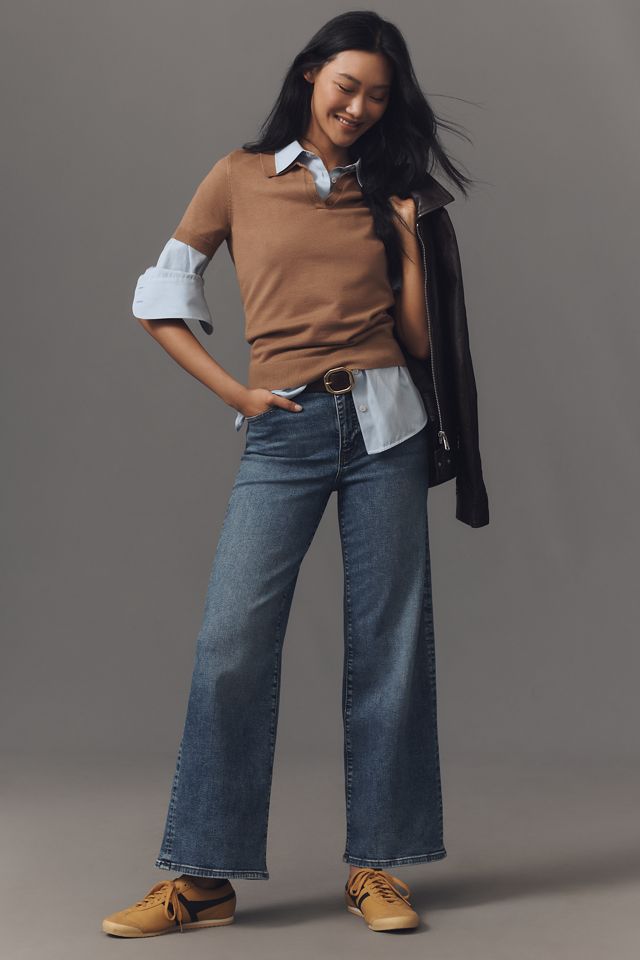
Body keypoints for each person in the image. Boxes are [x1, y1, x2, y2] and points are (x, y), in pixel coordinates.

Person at [102, 9, 489, 939]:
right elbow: (159, 297)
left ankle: (377, 866)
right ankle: (204, 881)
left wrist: (405, 236)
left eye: (378, 97)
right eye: (347, 86)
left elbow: (419, 340)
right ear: (312, 74)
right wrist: (236, 391)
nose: (359, 108)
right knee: (231, 642)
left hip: (388, 425)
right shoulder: (240, 176)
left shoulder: (389, 191)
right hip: (285, 429)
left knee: (389, 647)